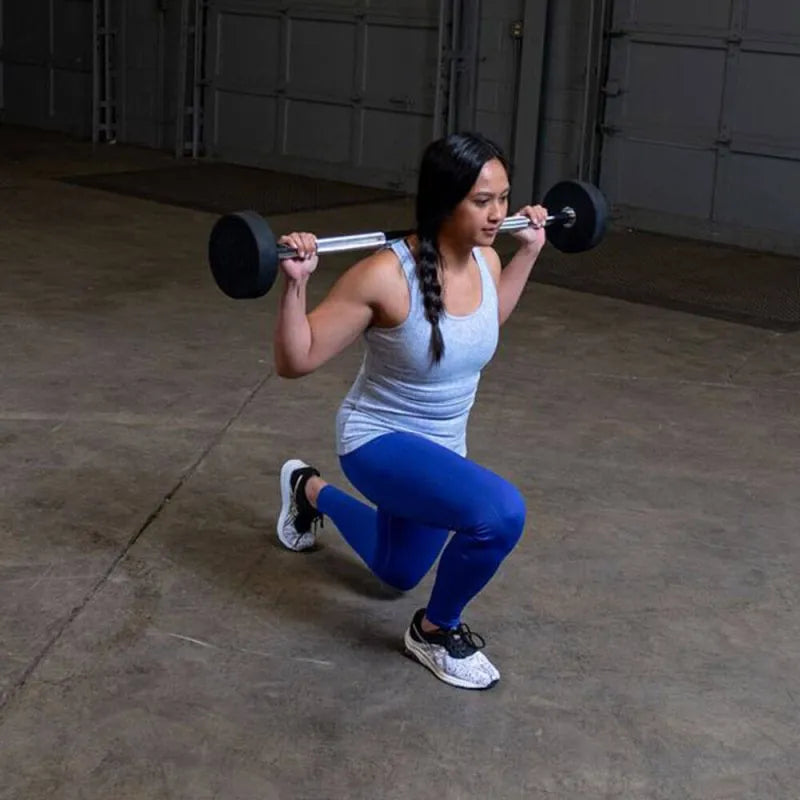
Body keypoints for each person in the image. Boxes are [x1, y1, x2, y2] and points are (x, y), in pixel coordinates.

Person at [272, 132, 548, 691]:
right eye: (482, 201)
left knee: (397, 572)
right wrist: (295, 288)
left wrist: (529, 253)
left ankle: (306, 489)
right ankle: (434, 631)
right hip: (379, 441)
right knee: (499, 513)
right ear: (445, 201)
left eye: (504, 198)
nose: (499, 214)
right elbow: (295, 360)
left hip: (442, 448)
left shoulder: (488, 261)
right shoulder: (383, 276)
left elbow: (484, 326)